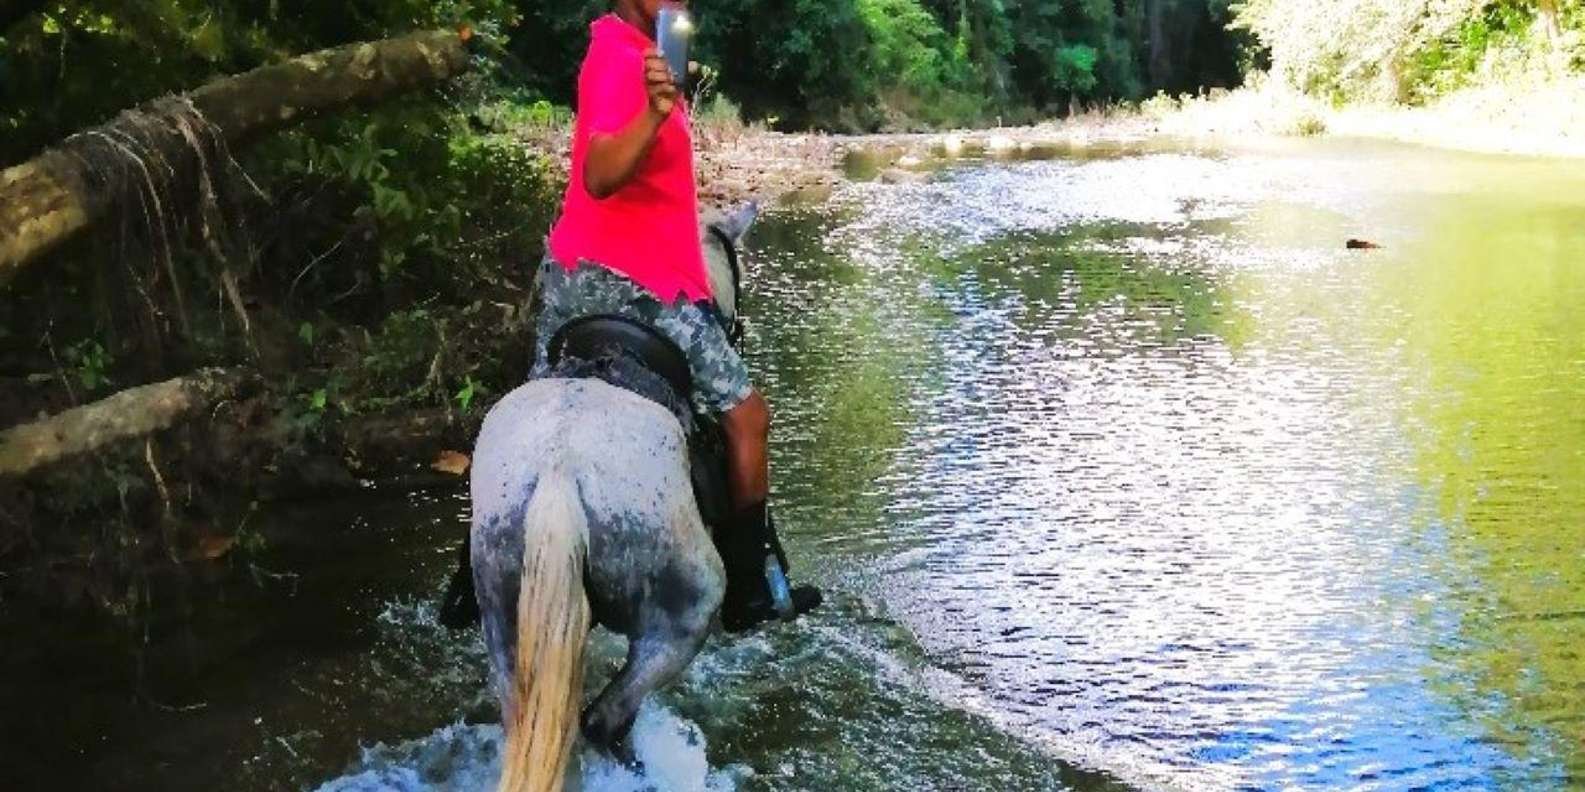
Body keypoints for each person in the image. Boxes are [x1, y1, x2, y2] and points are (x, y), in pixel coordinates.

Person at [529, 0, 819, 631]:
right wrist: (658, 114)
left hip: (570, 278)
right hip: (641, 285)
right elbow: (601, 173)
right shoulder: (621, 57)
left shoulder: (634, 51)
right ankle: (749, 590)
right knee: (747, 419)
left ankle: (471, 580)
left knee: (530, 417)